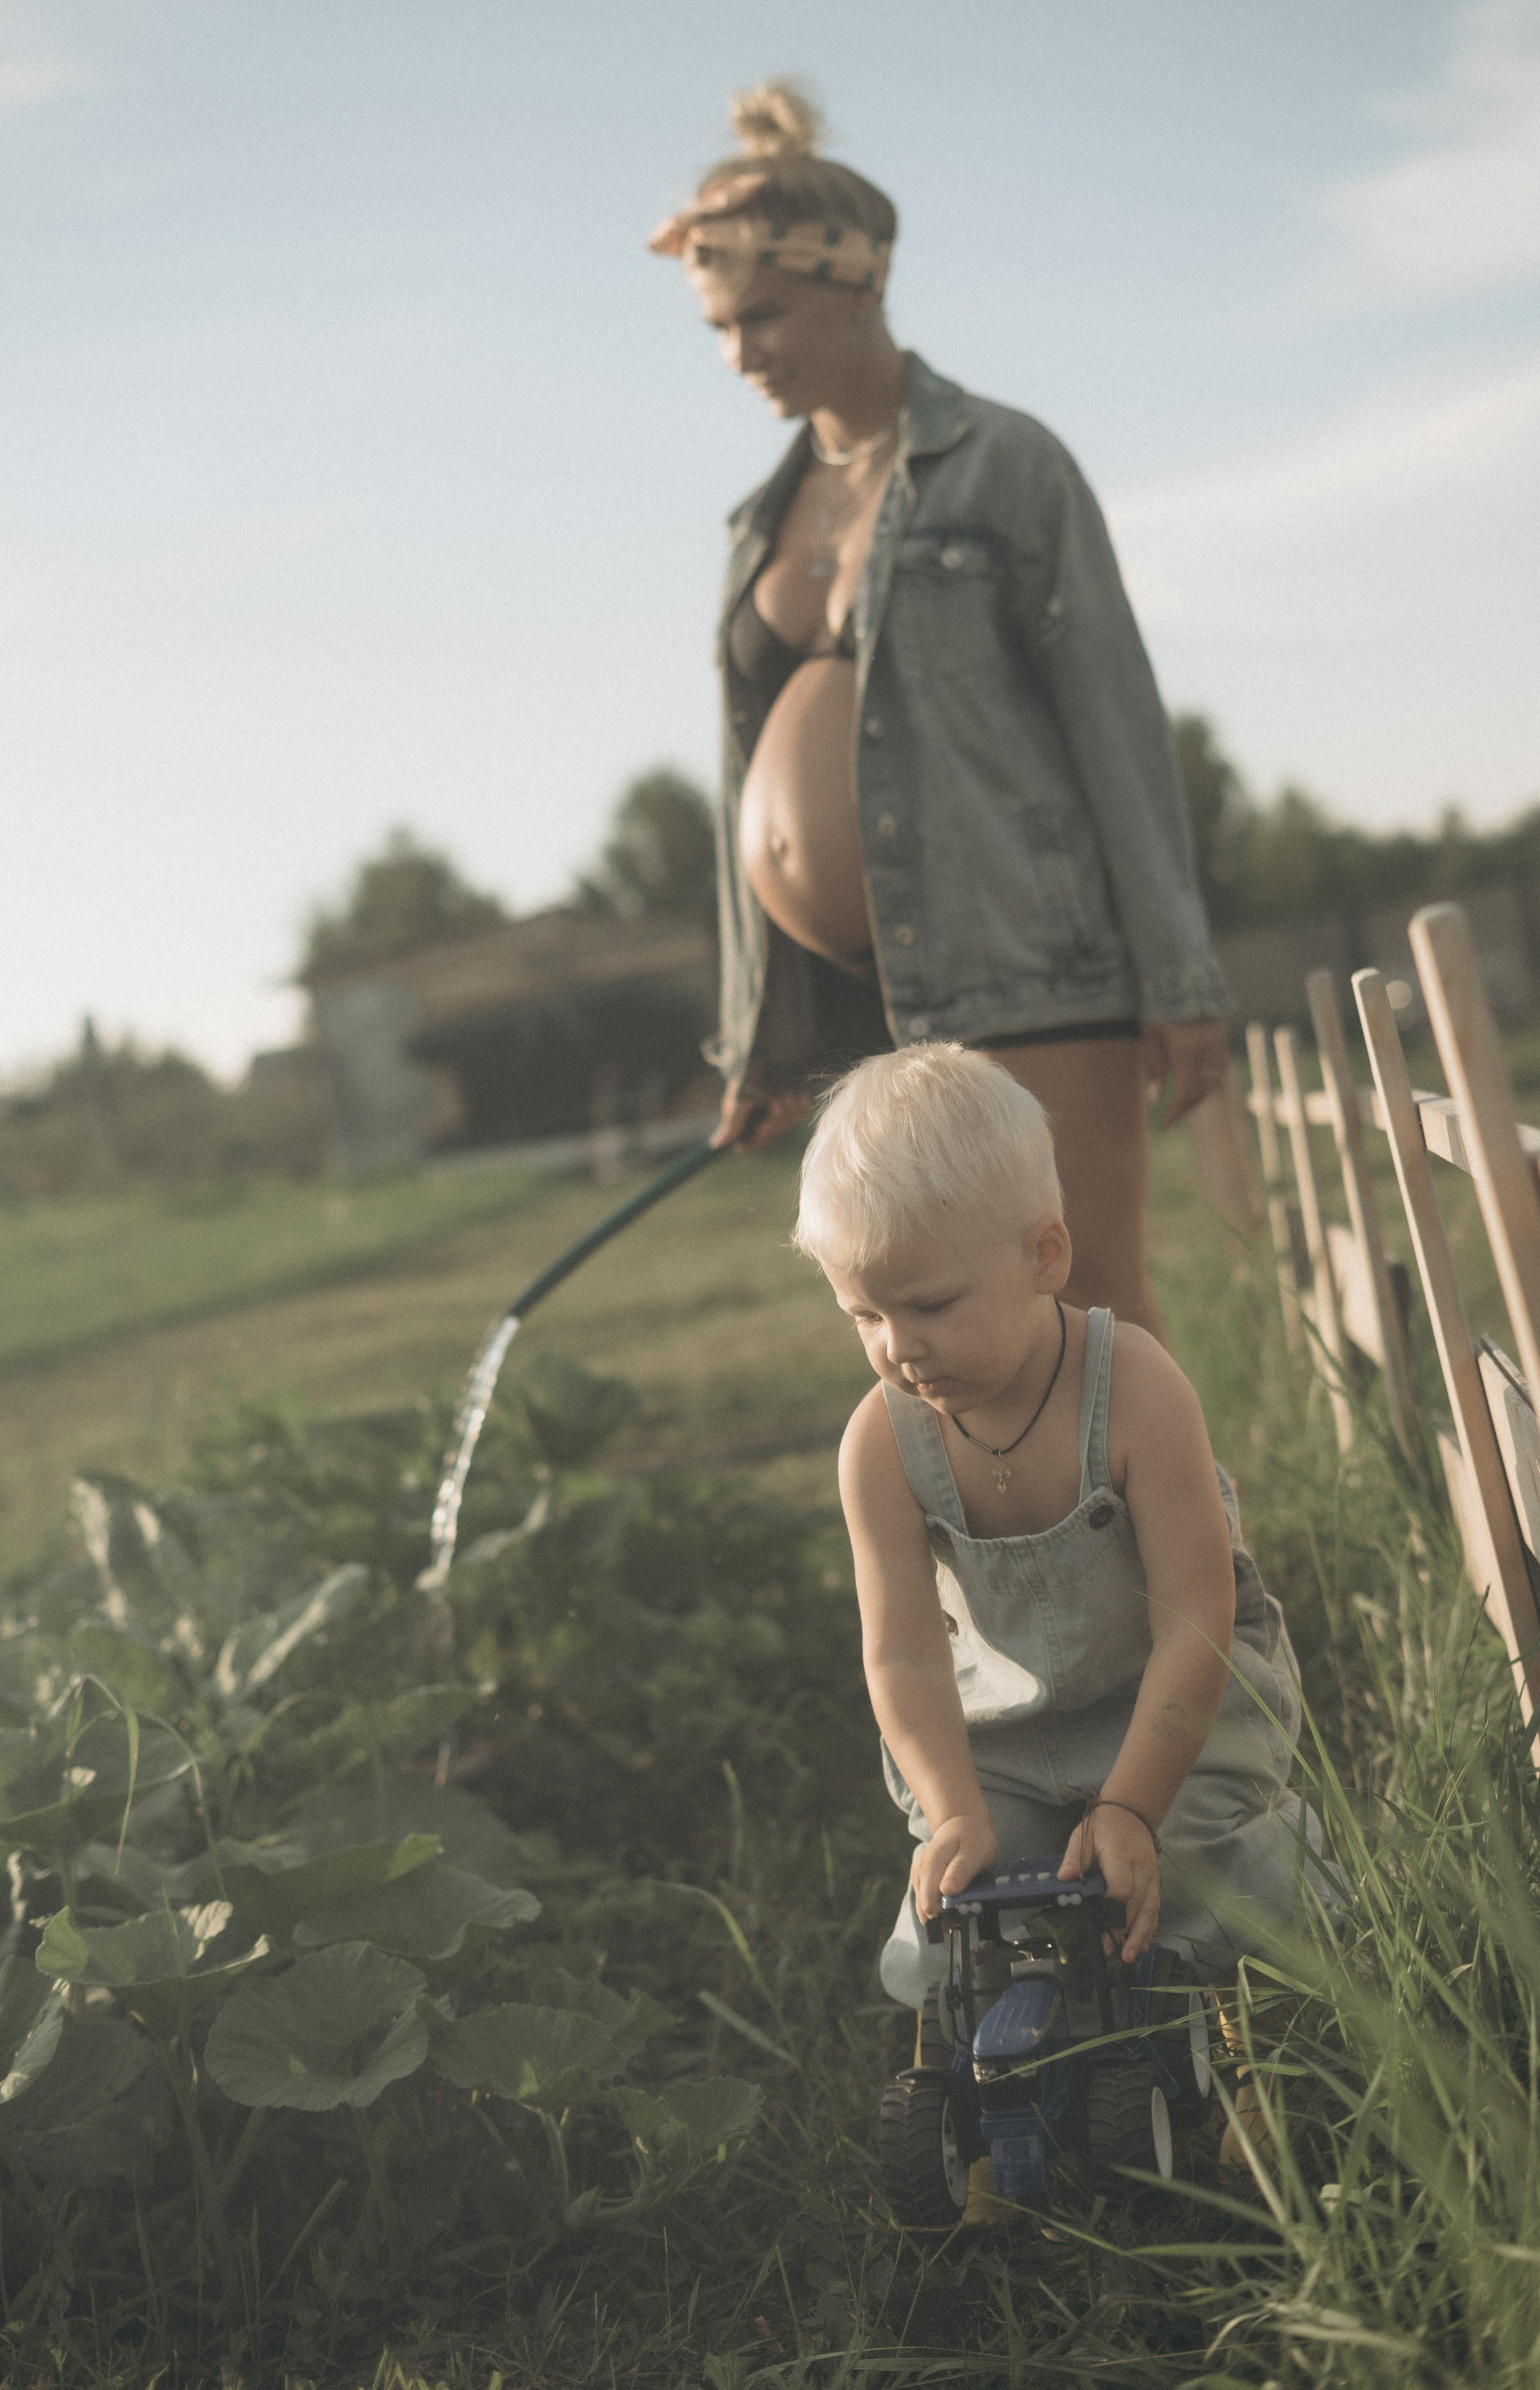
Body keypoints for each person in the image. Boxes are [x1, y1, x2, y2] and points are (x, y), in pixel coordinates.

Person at [650, 81, 1231, 1341]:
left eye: (763, 315)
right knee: (922, 1349)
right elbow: (742, 785)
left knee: (1087, 1322)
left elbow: (1116, 724)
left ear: (858, 283)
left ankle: (1185, 1495)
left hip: (1030, 975)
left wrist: (1178, 975)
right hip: (855, 1011)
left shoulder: (1006, 465)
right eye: (718, 327)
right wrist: (759, 1038)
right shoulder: (757, 523)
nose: (740, 354)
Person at [793, 1044, 1327, 2172]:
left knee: (1196, 1862)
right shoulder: (880, 1443)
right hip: (1011, 1730)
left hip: (1172, 1700)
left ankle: (1256, 2045)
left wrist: (1132, 1804)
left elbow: (1196, 1616)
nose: (898, 1346)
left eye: (930, 1305)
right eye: (862, 1315)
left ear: (1045, 1255)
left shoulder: (1134, 1389)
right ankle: (1000, 2082)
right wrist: (953, 1810)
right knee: (976, 1895)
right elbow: (903, 1655)